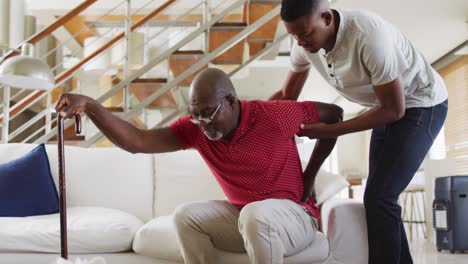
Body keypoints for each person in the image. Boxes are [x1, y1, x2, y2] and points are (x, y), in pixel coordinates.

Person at [56, 68, 343, 264]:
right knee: (186, 216)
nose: (203, 124)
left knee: (257, 213)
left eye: (209, 113)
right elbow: (137, 141)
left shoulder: (274, 115)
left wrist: (309, 175)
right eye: (195, 115)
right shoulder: (195, 129)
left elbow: (335, 115)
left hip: (294, 219)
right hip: (249, 219)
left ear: (230, 101)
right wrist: (92, 107)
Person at [271, 1, 448, 263]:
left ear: (327, 19)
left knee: (379, 197)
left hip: (421, 103)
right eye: (293, 35)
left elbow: (394, 110)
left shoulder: (368, 36)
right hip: (383, 105)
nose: (300, 42)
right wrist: (249, 119)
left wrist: (330, 130)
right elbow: (287, 96)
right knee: (381, 199)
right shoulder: (305, 44)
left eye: (305, 34)